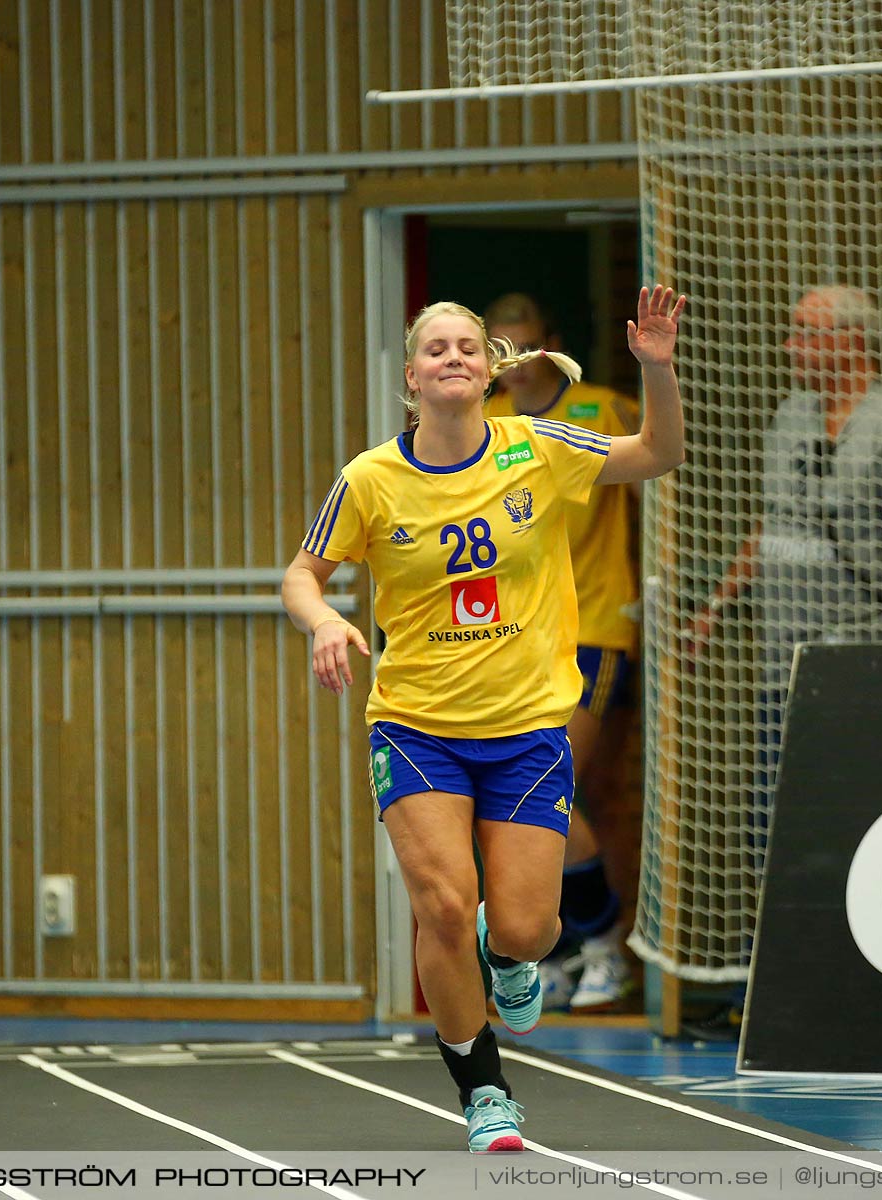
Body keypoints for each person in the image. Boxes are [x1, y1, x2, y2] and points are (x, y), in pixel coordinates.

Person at [282, 285, 687, 1152]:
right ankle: (485, 1092)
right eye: (438, 348)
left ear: (493, 368)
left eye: (470, 345)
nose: (456, 356)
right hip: (417, 726)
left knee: (524, 925)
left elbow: (657, 453)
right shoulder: (370, 478)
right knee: (440, 903)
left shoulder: (537, 447)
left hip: (526, 730)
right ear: (413, 378)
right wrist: (325, 621)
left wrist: (658, 368)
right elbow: (302, 574)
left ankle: (509, 960)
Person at [687, 286, 882, 1033]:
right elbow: (772, 525)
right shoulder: (790, 417)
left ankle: (858, 989)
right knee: (771, 825)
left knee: (849, 823)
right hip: (781, 663)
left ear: (850, 341)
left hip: (857, 661)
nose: (791, 346)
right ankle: (769, 996)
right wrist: (717, 608)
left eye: (806, 333)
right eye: (793, 332)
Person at [484, 293, 643, 1013]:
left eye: (520, 350)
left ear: (549, 346)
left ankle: (604, 938)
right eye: (497, 353)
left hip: (592, 632)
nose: (509, 367)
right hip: (515, 640)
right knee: (517, 800)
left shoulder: (603, 412)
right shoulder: (484, 427)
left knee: (552, 790)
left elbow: (664, 477)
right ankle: (573, 944)